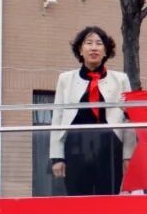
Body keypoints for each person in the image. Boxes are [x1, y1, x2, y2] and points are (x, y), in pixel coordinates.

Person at [49, 26, 132, 196]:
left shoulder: (120, 79)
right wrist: (57, 157)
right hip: (76, 147)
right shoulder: (65, 79)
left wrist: (127, 156)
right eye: (88, 43)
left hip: (110, 148)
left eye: (99, 43)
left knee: (108, 200)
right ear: (80, 50)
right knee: (78, 202)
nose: (94, 48)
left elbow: (129, 118)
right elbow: (57, 117)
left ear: (105, 51)